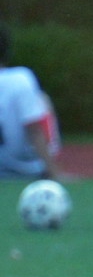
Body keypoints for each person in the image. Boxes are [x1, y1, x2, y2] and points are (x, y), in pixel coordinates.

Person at [0, 23, 61, 180]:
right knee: (42, 100)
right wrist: (54, 173)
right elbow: (34, 129)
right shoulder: (20, 79)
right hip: (27, 171)